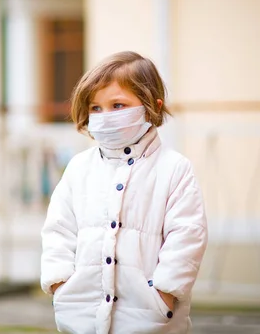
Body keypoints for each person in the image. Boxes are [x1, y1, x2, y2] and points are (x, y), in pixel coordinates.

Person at [40, 51, 208, 334]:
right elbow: (58, 231)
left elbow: (187, 236)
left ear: (152, 106)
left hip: (152, 321)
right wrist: (61, 287)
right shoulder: (79, 168)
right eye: (96, 108)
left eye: (118, 105)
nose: (105, 117)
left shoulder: (174, 169)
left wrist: (164, 295)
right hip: (81, 319)